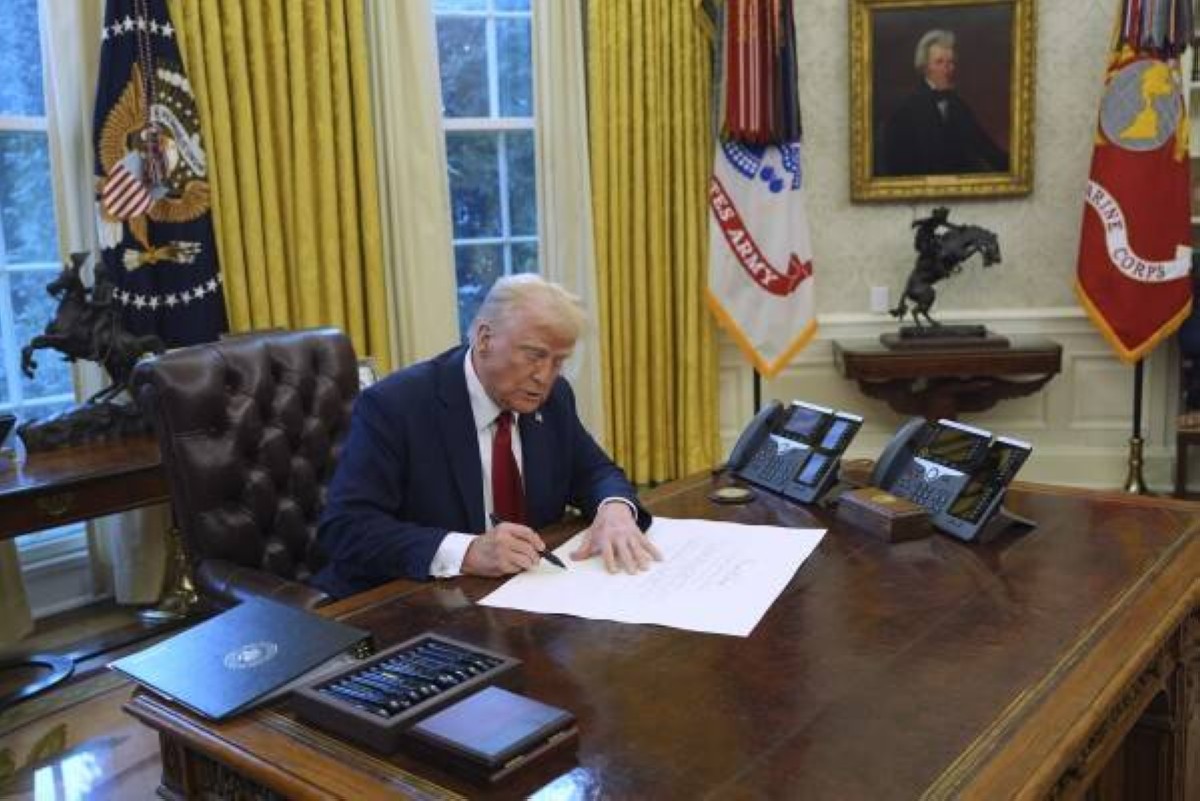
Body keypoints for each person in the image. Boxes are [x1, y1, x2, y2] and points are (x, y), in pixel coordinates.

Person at [313, 274, 661, 598]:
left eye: (558, 361)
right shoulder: (397, 405)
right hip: (411, 602)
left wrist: (615, 509)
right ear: (484, 339)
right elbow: (346, 528)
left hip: (527, 596)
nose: (545, 377)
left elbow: (594, 471)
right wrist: (466, 551)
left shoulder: (554, 398)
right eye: (535, 356)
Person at [878, 29, 1009, 177]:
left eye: (950, 62)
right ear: (925, 67)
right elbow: (899, 168)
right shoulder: (906, 111)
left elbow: (985, 147)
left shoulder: (958, 105)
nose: (947, 69)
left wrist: (1015, 168)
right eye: (939, 62)